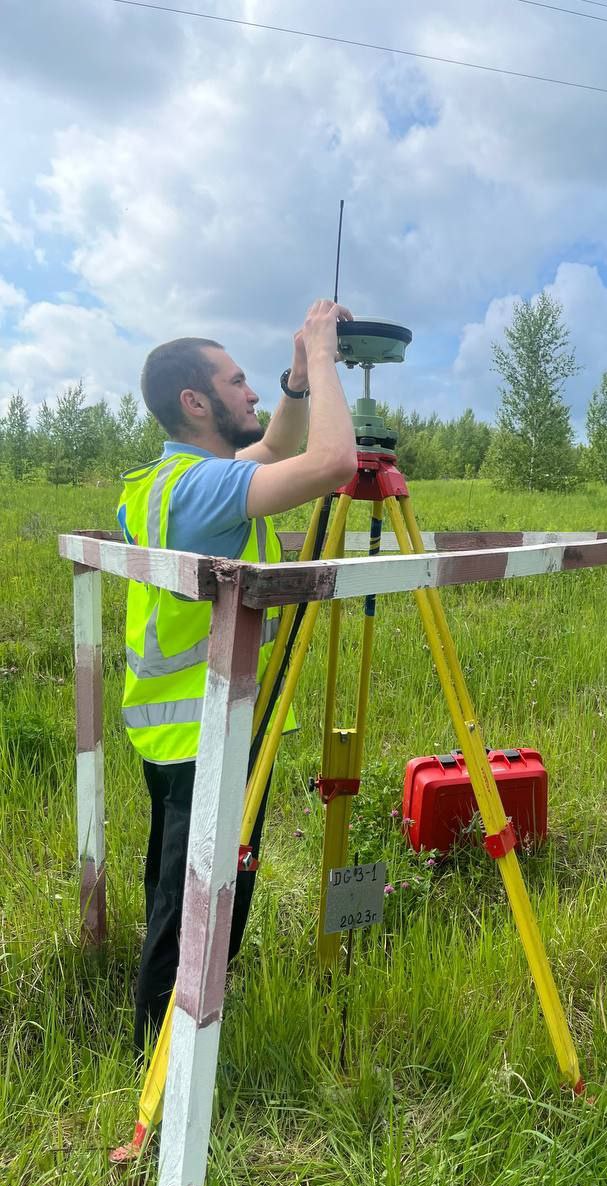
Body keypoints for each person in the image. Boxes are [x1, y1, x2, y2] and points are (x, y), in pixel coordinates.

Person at [117, 298, 357, 1053]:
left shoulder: (163, 484)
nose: (251, 394)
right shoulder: (203, 493)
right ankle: (170, 1053)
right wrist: (322, 358)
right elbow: (330, 465)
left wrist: (292, 382)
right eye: (238, 381)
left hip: (171, 727)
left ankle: (167, 1029)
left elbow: (273, 448)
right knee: (209, 896)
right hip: (209, 728)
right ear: (196, 402)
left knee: (176, 885)